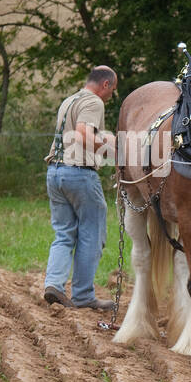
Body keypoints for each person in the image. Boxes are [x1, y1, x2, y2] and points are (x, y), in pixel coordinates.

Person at [42, 66, 117, 309]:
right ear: (105, 84)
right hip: (79, 174)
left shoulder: (69, 100)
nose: (111, 95)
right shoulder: (94, 102)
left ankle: (53, 283)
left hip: (55, 172)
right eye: (112, 90)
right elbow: (83, 133)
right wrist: (114, 151)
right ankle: (83, 295)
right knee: (91, 234)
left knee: (64, 234)